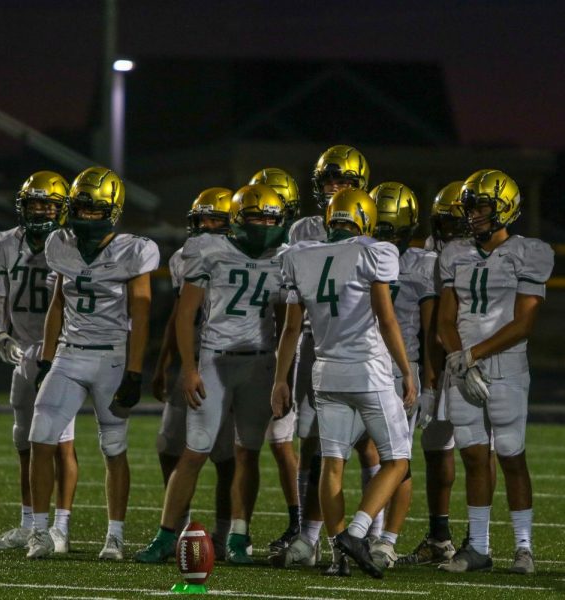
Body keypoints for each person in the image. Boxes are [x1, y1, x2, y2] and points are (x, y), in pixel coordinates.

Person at [135, 183, 288, 565]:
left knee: (247, 453)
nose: (263, 225)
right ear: (237, 219)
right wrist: (187, 368)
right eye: (255, 216)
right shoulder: (208, 249)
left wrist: (285, 374)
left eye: (270, 217)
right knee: (194, 452)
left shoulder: (288, 257)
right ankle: (166, 534)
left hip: (261, 364)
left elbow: (289, 324)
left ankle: (238, 535)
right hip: (216, 361)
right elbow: (185, 315)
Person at [271, 188, 415, 579]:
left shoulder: (299, 255)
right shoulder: (375, 251)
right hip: (368, 370)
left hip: (326, 372)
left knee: (331, 464)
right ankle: (355, 533)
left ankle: (337, 557)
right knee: (397, 458)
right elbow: (386, 319)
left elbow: (290, 329)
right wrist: (406, 370)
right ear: (366, 219)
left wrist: (280, 380)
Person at [26, 166, 159, 560]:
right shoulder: (58, 244)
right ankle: (41, 532)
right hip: (69, 353)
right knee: (41, 436)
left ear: (113, 211)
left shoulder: (133, 250)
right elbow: (58, 303)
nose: (85, 216)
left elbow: (142, 314)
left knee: (114, 449)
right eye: (80, 208)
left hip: (112, 357)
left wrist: (135, 372)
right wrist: (48, 359)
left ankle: (114, 536)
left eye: (93, 209)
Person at [437, 169, 554, 574]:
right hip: (463, 367)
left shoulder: (529, 252)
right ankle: (480, 547)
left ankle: (524, 547)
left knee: (511, 455)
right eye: (470, 207)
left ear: (505, 209)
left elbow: (524, 323)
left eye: (482, 207)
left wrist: (471, 355)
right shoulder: (454, 253)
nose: (474, 215)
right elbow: (445, 320)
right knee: (472, 456)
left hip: (506, 367)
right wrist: (458, 357)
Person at [286, 145, 383, 575]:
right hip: (314, 342)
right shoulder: (305, 229)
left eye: (344, 182)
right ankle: (309, 535)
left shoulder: (369, 227)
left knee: (367, 443)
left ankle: (373, 537)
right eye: (329, 181)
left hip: (360, 344)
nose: (335, 188)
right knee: (314, 441)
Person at [0, 171, 78, 553]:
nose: (39, 209)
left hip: (60, 350)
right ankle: (28, 524)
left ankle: (60, 528)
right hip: (22, 349)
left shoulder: (72, 245)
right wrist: (0, 334)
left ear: (61, 210)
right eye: (34, 202)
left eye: (48, 204)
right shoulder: (5, 243)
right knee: (24, 439)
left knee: (61, 444)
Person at [151, 187, 237, 556]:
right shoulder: (183, 257)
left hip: (226, 362)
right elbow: (178, 315)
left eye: (215, 218)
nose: (206, 225)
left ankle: (224, 534)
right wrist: (163, 363)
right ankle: (180, 526)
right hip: (192, 359)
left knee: (227, 456)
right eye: (202, 218)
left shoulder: (240, 257)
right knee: (168, 445)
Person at [366, 181, 438, 569]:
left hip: (398, 368)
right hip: (367, 366)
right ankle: (368, 534)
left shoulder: (420, 263)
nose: (388, 235)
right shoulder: (363, 254)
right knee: (369, 456)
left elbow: (429, 329)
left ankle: (385, 540)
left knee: (397, 458)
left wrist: (427, 378)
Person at [399, 181, 467, 565]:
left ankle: (479, 539)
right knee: (433, 447)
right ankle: (440, 536)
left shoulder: (487, 258)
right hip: (433, 359)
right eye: (448, 224)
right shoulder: (426, 255)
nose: (453, 233)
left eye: (461, 225)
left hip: (468, 358)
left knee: (479, 450)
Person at [248, 168, 302, 552]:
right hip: (249, 357)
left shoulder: (292, 253)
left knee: (287, 443)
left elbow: (291, 319)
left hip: (287, 356)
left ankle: (303, 523)